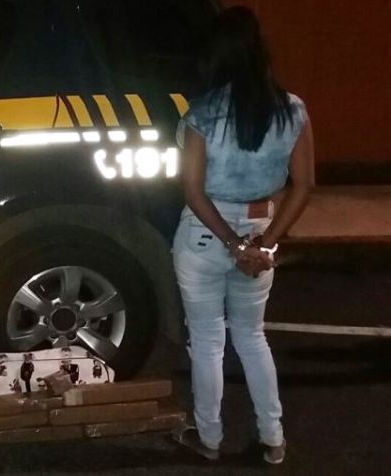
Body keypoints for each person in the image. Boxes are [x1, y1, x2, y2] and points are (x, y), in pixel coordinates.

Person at [171, 6, 314, 465]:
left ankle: (209, 438)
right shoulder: (292, 110)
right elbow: (304, 185)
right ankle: (273, 439)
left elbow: (193, 191)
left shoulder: (202, 113)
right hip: (259, 230)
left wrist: (232, 245)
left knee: (207, 341)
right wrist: (264, 244)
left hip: (204, 236)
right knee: (252, 337)